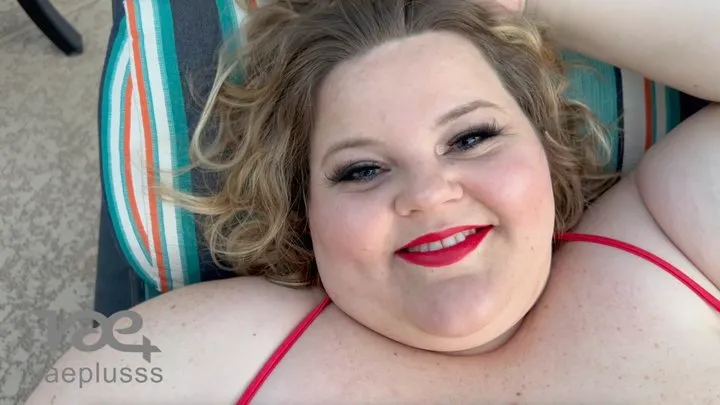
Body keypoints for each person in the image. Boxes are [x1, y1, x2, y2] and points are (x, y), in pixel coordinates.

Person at [27, 0, 719, 403]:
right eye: (359, 170)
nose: (426, 195)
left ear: (549, 148)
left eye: (472, 136)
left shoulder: (674, 239)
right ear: (302, 213)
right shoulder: (205, 355)